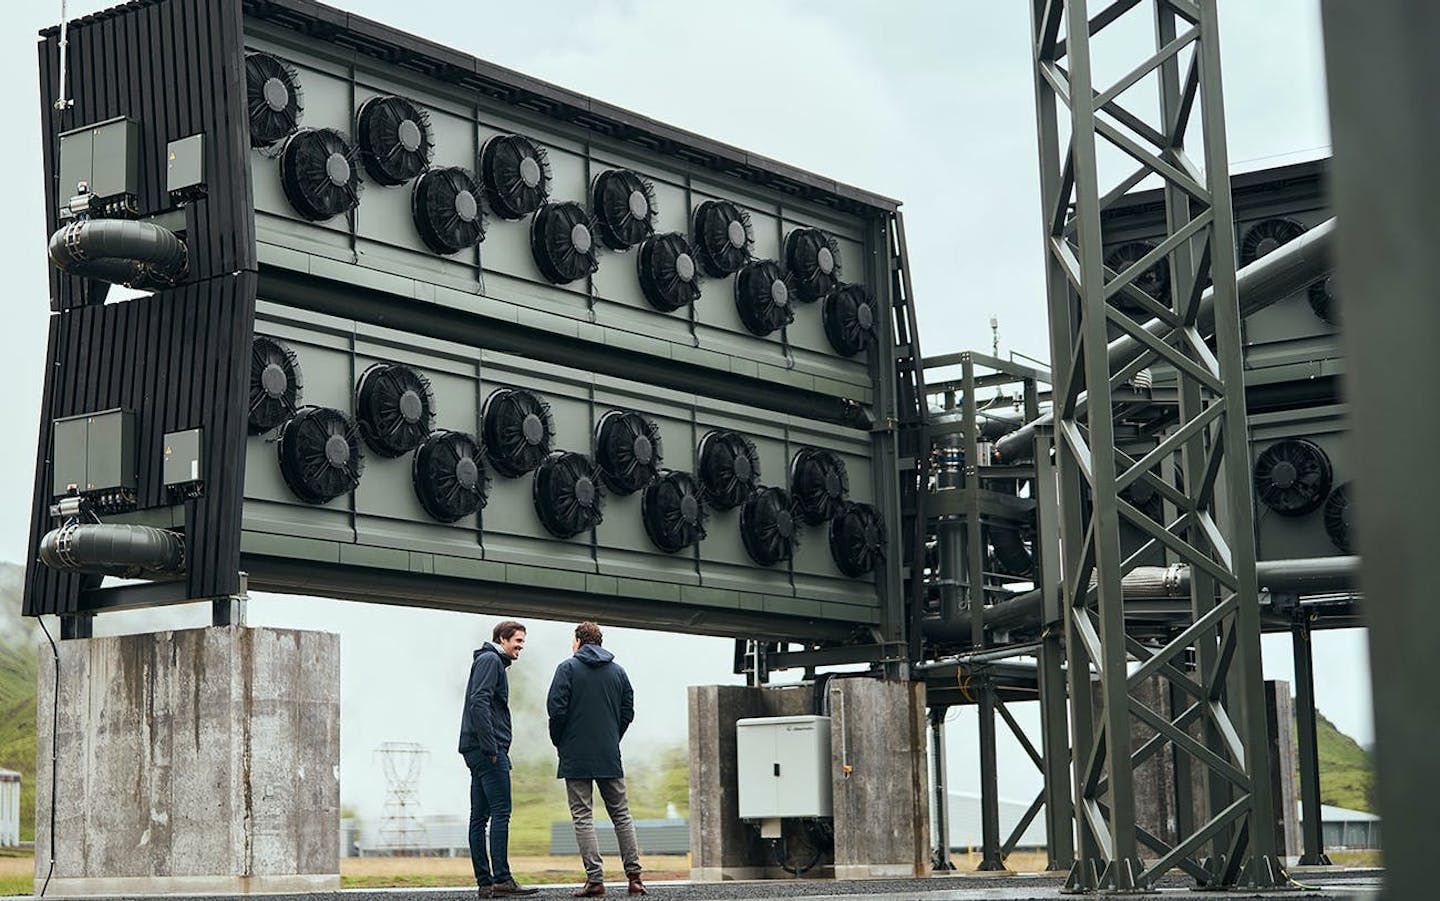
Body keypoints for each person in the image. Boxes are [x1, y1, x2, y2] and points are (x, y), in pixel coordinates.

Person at [547, 622, 647, 897]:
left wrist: (561, 741)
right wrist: (613, 737)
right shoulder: (618, 672)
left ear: (579, 641)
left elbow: (556, 710)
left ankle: (595, 880)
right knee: (622, 815)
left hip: (575, 753)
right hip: (608, 753)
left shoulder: (567, 668)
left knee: (583, 816)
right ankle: (635, 878)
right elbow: (628, 710)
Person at [459, 620, 539, 898]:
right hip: (486, 750)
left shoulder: (487, 660)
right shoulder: (491, 660)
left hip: (475, 748)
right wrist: (492, 746)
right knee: (500, 813)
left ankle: (485, 882)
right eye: (518, 641)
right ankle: (502, 879)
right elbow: (479, 701)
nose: (520, 647)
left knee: (479, 817)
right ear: (502, 639)